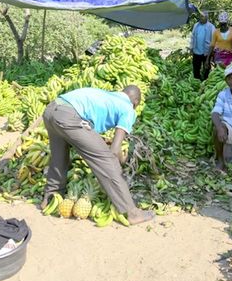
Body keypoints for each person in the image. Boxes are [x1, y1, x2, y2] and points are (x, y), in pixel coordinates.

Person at [40, 85, 155, 225]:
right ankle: (131, 212)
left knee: (59, 157)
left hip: (51, 110)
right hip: (69, 116)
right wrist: (121, 160)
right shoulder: (128, 109)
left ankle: (50, 198)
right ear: (136, 102)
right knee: (107, 161)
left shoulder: (107, 96)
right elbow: (114, 150)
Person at [189, 10, 215, 80]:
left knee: (206, 68)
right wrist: (191, 47)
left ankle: (205, 80)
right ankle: (197, 80)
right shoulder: (196, 25)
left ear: (207, 17)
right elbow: (192, 37)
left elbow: (213, 40)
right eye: (200, 16)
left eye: (202, 17)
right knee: (196, 67)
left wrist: (212, 51)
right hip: (196, 51)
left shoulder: (211, 27)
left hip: (206, 52)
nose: (200, 18)